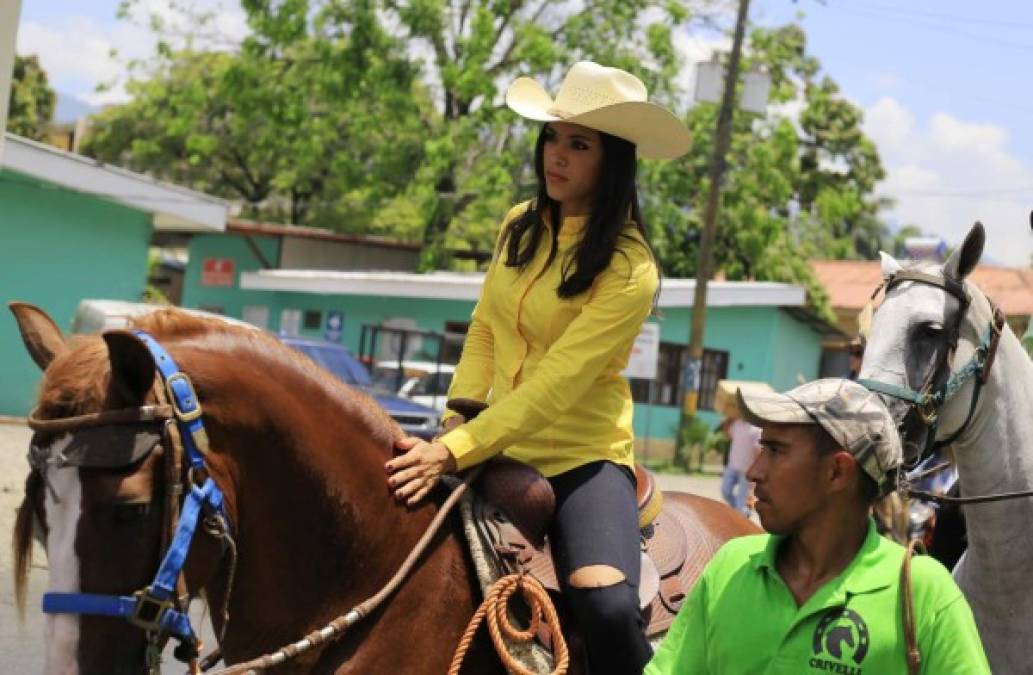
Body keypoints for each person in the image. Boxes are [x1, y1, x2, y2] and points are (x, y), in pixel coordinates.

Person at [384, 60, 691, 674]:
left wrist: (455, 450)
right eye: (553, 137)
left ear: (615, 161)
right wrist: (454, 419)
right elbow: (484, 330)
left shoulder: (631, 269)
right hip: (486, 438)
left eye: (580, 144)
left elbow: (555, 389)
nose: (557, 155)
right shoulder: (519, 225)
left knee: (605, 606)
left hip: (581, 456)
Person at [646, 378, 989, 674]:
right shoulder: (730, 565)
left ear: (837, 472)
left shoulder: (923, 592)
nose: (754, 471)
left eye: (776, 451)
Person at [720, 410, 761, 515]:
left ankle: (740, 514)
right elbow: (727, 436)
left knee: (740, 502)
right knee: (725, 491)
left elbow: (757, 451)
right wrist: (728, 420)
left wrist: (755, 472)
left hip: (746, 470)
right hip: (732, 466)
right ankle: (743, 512)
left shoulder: (756, 429)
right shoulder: (736, 424)